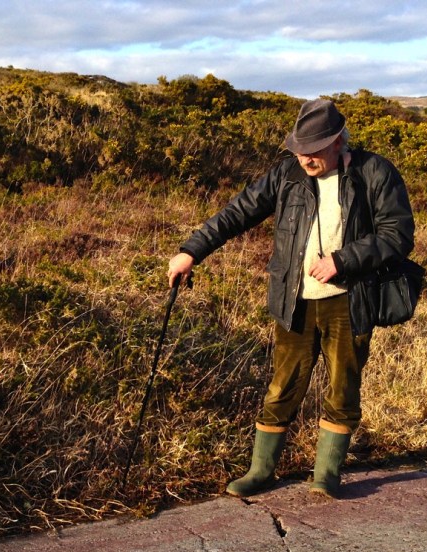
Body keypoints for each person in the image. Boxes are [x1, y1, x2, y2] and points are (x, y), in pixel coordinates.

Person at [167, 98, 414, 498]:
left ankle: (326, 476)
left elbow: (398, 235)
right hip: (295, 300)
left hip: (349, 300)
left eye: (313, 149)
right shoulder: (286, 174)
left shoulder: (374, 173)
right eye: (299, 149)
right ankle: (261, 472)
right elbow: (237, 213)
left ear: (337, 141)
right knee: (283, 387)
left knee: (343, 388)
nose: (304, 158)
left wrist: (343, 260)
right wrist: (192, 250)